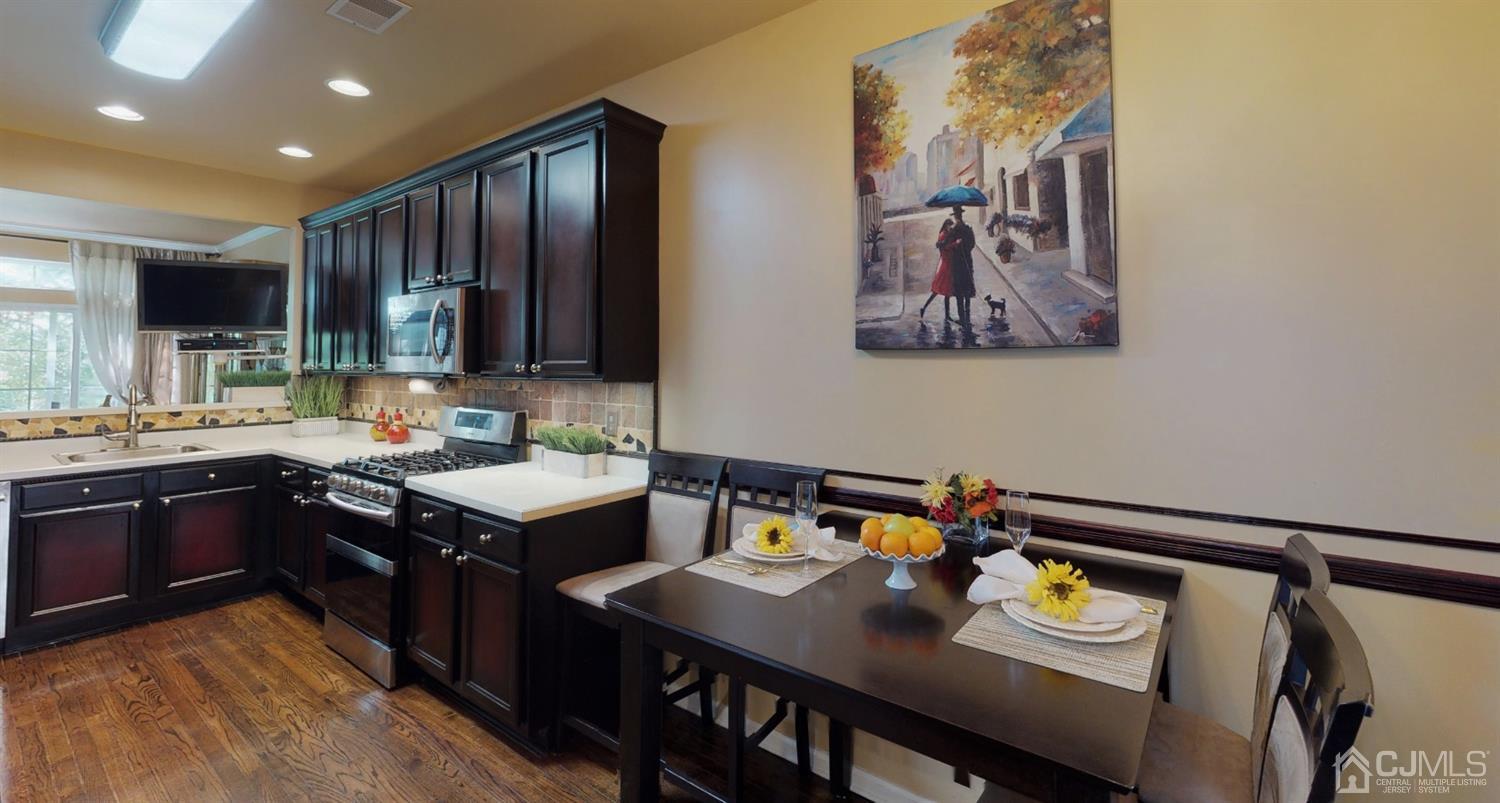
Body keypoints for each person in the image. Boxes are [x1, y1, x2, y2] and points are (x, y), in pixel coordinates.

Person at [945, 207, 977, 326]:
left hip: (957, 263)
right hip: (967, 261)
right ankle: (967, 316)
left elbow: (948, 245)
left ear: (955, 216)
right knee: (967, 289)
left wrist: (957, 248)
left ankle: (962, 318)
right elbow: (972, 244)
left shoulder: (953, 231)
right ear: (961, 216)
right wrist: (966, 249)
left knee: (959, 291)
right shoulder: (968, 229)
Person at [919, 219, 956, 321]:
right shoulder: (943, 235)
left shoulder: (946, 234)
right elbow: (945, 247)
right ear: (946, 225)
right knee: (938, 290)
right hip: (945, 265)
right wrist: (955, 244)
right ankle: (924, 308)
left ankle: (947, 315)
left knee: (946, 292)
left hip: (948, 264)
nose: (950, 228)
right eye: (950, 226)